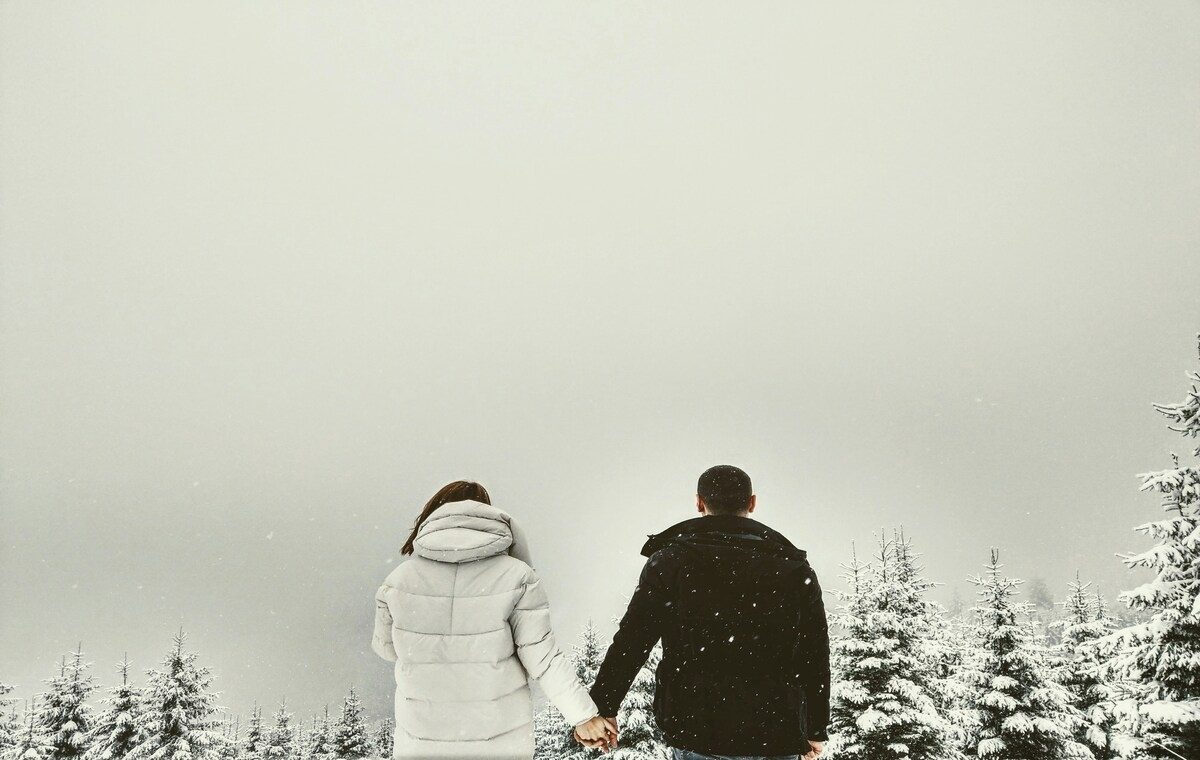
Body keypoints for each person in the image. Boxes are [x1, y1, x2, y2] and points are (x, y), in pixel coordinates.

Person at [577, 465, 830, 760]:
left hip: (699, 729)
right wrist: (815, 728)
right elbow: (814, 654)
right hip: (776, 730)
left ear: (699, 503)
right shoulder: (794, 569)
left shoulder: (670, 562)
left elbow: (633, 641)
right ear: (752, 503)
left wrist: (602, 708)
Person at [371, 480, 617, 759]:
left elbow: (386, 649)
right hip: (498, 741)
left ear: (433, 514)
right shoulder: (517, 576)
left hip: (421, 742)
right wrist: (584, 717)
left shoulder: (399, 580)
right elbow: (543, 658)